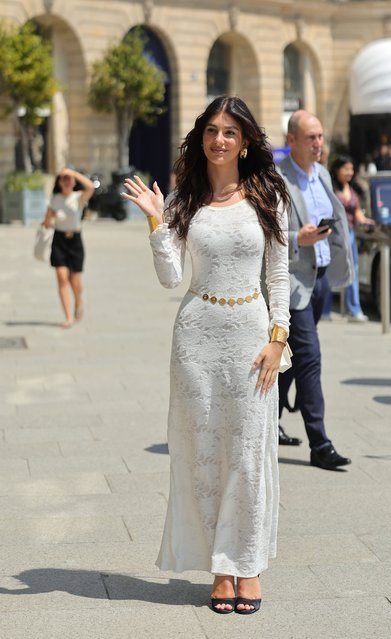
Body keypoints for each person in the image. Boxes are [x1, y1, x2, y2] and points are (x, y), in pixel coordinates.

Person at [121, 96, 290, 615]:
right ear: (201, 138)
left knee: (247, 456)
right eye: (212, 130)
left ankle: (249, 565)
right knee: (204, 459)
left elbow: (279, 274)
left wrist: (277, 339)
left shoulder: (268, 195)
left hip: (251, 340)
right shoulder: (183, 200)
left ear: (245, 143)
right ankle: (221, 568)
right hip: (195, 340)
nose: (220, 140)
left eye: (231, 132)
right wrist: (155, 222)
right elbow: (172, 276)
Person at [277, 110, 354, 470]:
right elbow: (268, 232)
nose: (318, 144)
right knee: (309, 358)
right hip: (293, 280)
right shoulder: (278, 179)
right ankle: (319, 444)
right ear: (292, 140)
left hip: (321, 278)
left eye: (320, 136)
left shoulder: (322, 174)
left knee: (292, 355)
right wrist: (298, 238)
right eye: (311, 137)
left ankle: (270, 418)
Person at [42, 168, 95, 328]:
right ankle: (68, 316)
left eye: (69, 178)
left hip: (75, 242)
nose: (66, 180)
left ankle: (78, 301)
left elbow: (90, 187)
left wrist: (73, 172)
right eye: (63, 178)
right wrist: (49, 219)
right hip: (59, 240)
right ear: (59, 182)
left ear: (73, 182)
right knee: (62, 278)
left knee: (75, 281)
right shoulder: (54, 199)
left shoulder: (78, 197)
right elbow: (46, 223)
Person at [330, 155, 375, 322]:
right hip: (333, 233)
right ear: (337, 170)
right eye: (346, 169)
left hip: (349, 233)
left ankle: (354, 308)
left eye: (351, 169)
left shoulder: (354, 189)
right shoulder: (331, 187)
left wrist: (366, 222)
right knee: (329, 270)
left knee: (353, 270)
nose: (350, 172)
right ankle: (325, 309)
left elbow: (357, 214)